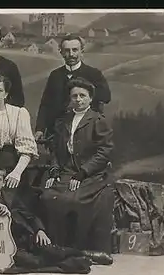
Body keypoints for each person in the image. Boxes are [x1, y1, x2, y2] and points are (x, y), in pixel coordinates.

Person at [0, 163, 112, 273]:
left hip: (25, 239)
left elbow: (29, 215)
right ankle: (74, 263)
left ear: (4, 182)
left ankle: (86, 254)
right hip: (7, 246)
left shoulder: (10, 198)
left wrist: (39, 230)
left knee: (51, 250)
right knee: (31, 261)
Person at [40, 77, 114, 256]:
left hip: (91, 174)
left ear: (90, 98)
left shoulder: (98, 120)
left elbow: (104, 151)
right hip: (67, 172)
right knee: (48, 196)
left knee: (75, 200)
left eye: (83, 96)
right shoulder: (63, 121)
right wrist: (55, 171)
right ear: (70, 99)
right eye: (74, 96)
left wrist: (83, 173)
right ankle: (56, 247)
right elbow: (56, 151)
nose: (78, 100)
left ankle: (79, 249)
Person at [34, 34, 111, 140]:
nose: (71, 54)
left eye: (75, 50)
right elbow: (45, 104)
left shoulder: (93, 74)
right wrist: (40, 129)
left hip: (86, 132)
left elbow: (106, 97)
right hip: (57, 132)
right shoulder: (55, 75)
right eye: (66, 50)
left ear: (81, 51)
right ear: (61, 52)